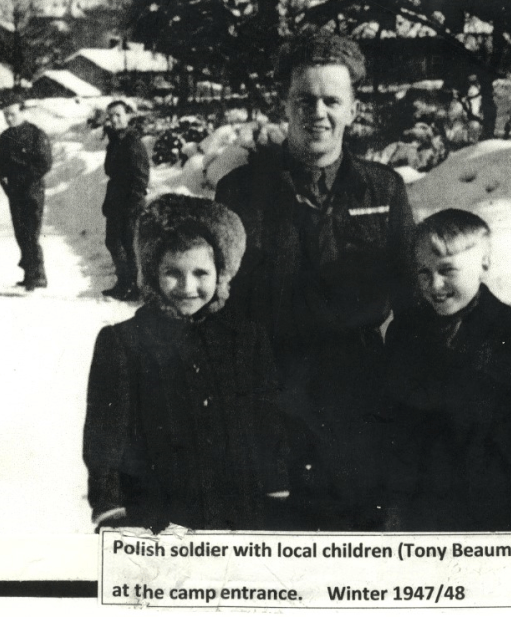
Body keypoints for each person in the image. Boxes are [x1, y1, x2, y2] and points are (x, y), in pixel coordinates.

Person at [215, 33, 415, 529]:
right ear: (285, 105)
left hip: (358, 407)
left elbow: (415, 299)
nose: (317, 112)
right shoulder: (240, 192)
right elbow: (216, 310)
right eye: (304, 99)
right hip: (269, 403)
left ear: (353, 109)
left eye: (332, 100)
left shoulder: (384, 188)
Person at [82, 194, 294, 533]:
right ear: (152, 272)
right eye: (173, 273)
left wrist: (276, 488)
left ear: (221, 273)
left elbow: (266, 421)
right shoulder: (123, 343)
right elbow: (105, 435)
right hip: (154, 515)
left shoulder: (246, 339)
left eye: (200, 273)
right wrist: (111, 508)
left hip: (238, 511)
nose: (188, 287)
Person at [383, 209, 511, 532]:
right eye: (423, 273)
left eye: (447, 271)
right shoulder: (404, 333)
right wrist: (394, 505)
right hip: (422, 507)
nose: (435, 285)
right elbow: (395, 427)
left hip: (493, 505)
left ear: (484, 264)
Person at [0, 91, 52, 290]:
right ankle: (30, 274)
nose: (9, 118)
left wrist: (25, 179)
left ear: (21, 111)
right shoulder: (5, 137)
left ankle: (39, 275)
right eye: (5, 115)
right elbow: (0, 167)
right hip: (15, 193)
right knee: (21, 233)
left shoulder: (36, 134)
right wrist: (7, 186)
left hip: (32, 192)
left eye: (12, 113)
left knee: (31, 233)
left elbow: (45, 163)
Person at [101, 100, 150, 301]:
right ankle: (123, 284)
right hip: (116, 199)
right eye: (111, 115)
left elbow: (141, 177)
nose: (114, 119)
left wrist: (133, 204)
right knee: (113, 242)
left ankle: (135, 287)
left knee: (128, 245)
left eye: (118, 115)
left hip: (130, 202)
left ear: (128, 116)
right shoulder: (115, 140)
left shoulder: (133, 141)